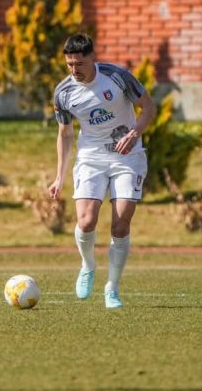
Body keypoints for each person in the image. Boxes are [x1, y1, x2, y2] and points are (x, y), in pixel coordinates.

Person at [48, 34, 156, 309]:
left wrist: (134, 133)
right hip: (91, 156)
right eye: (69, 64)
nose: (74, 69)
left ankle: (112, 288)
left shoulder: (117, 77)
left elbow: (148, 107)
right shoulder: (63, 92)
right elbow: (65, 134)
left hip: (127, 156)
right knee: (86, 221)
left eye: (79, 63)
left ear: (92, 57)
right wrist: (59, 176)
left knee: (120, 225)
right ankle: (88, 265)